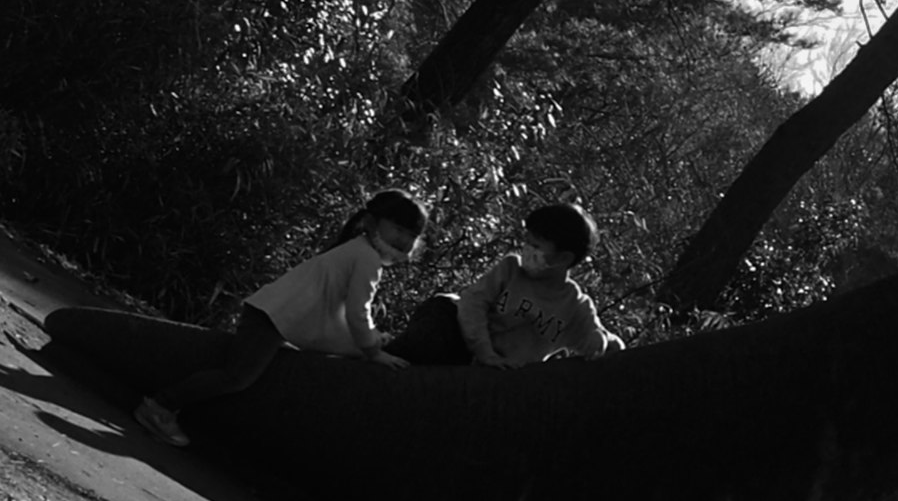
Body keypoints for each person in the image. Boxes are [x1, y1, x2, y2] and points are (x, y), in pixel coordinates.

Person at [134, 190, 424, 446]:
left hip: (276, 318)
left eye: (411, 235)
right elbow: (357, 312)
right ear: (373, 223)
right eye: (398, 228)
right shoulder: (368, 259)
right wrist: (373, 351)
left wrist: (370, 341)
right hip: (271, 319)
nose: (404, 240)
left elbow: (342, 316)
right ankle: (160, 405)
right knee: (236, 378)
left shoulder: (359, 250)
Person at [382, 200, 625, 368]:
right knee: (427, 338)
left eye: (537, 246)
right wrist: (485, 353)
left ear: (564, 259)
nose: (528, 250)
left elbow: (595, 339)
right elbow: (472, 303)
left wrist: (605, 342)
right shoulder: (511, 270)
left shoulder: (574, 306)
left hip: (493, 368)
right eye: (528, 242)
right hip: (456, 328)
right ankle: (372, 357)